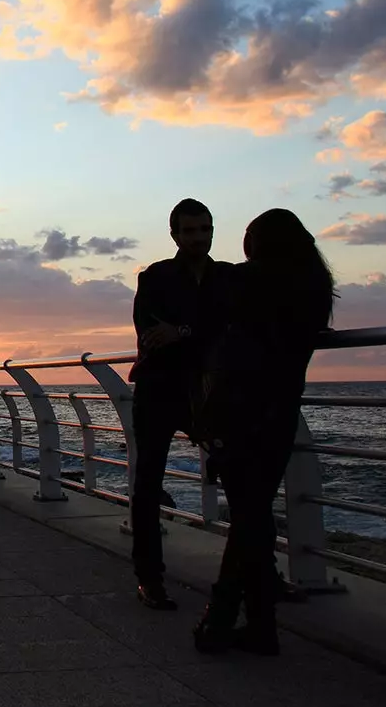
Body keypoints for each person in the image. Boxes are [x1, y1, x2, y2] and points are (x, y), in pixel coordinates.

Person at [193, 209, 335, 656]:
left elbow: (207, 333)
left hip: (237, 412)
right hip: (279, 414)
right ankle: (258, 625)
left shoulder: (237, 282)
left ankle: (224, 617)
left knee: (248, 519)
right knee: (253, 517)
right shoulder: (312, 290)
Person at [128, 197, 233, 611]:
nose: (199, 238)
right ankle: (149, 577)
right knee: (149, 482)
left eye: (205, 229)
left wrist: (184, 330)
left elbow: (232, 326)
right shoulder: (154, 277)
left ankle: (260, 571)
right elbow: (150, 332)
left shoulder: (227, 277)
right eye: (189, 231)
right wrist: (200, 333)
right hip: (160, 390)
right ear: (174, 234)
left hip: (211, 391)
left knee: (242, 481)